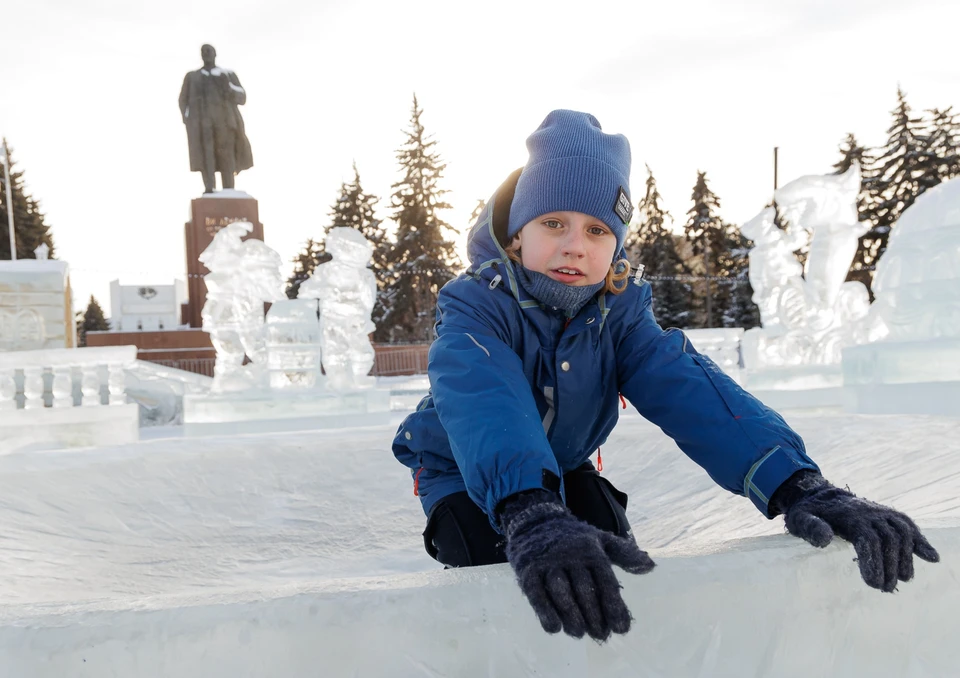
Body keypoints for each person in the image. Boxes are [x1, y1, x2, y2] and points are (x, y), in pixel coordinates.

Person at [392, 110, 939, 642]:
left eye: (598, 230)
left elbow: (692, 392)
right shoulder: (475, 307)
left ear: (616, 248)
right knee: (498, 564)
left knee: (615, 561)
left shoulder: (620, 315)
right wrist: (529, 512)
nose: (574, 244)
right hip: (464, 470)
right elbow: (484, 399)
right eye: (553, 223)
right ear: (516, 236)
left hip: (563, 464)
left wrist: (798, 485)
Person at [179, 44, 254, 194]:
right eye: (204, 52)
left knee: (226, 156)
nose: (206, 54)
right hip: (202, 125)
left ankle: (229, 190)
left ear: (215, 54)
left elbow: (242, 97)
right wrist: (187, 118)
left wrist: (228, 88)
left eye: (209, 51)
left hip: (225, 124)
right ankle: (209, 188)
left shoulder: (226, 75)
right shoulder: (193, 77)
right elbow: (183, 100)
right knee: (206, 157)